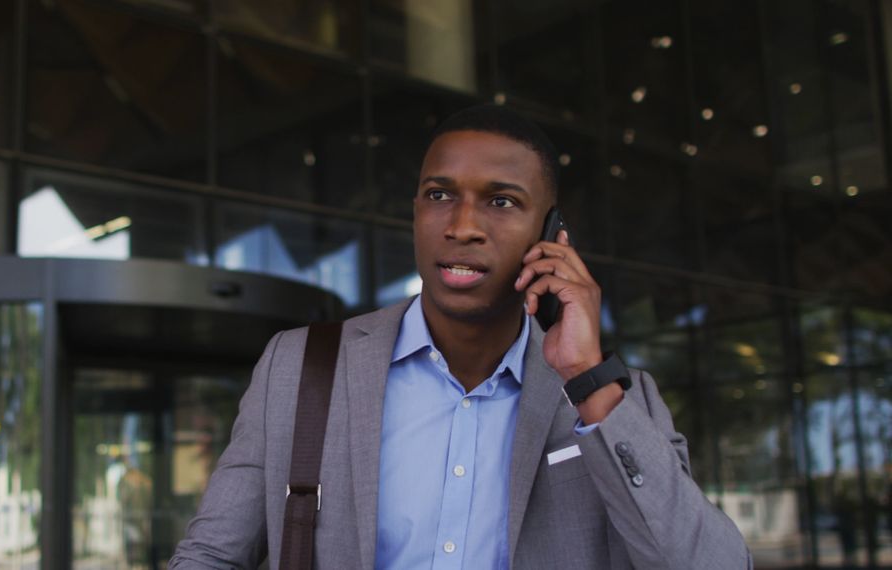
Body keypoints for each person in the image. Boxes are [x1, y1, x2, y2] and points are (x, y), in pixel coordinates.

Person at [170, 104, 752, 569]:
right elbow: (211, 555)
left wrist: (587, 380)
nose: (463, 226)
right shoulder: (301, 367)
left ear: (553, 236)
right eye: (440, 194)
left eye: (502, 201)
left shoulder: (617, 400)